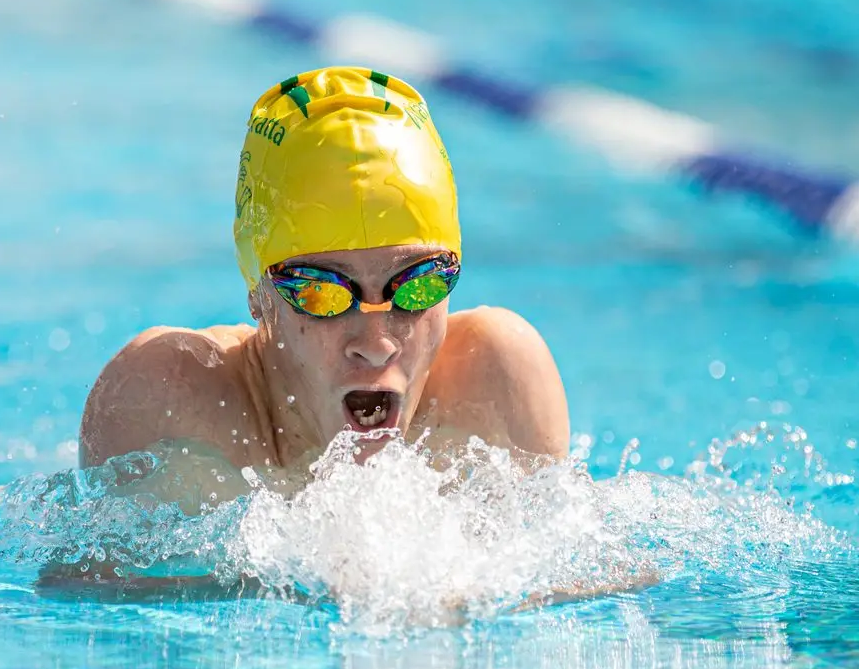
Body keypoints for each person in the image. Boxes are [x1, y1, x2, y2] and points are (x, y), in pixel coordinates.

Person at [77, 66, 570, 515]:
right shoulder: (165, 404)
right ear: (259, 293)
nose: (377, 344)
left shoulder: (495, 379)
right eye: (321, 291)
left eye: (419, 284)